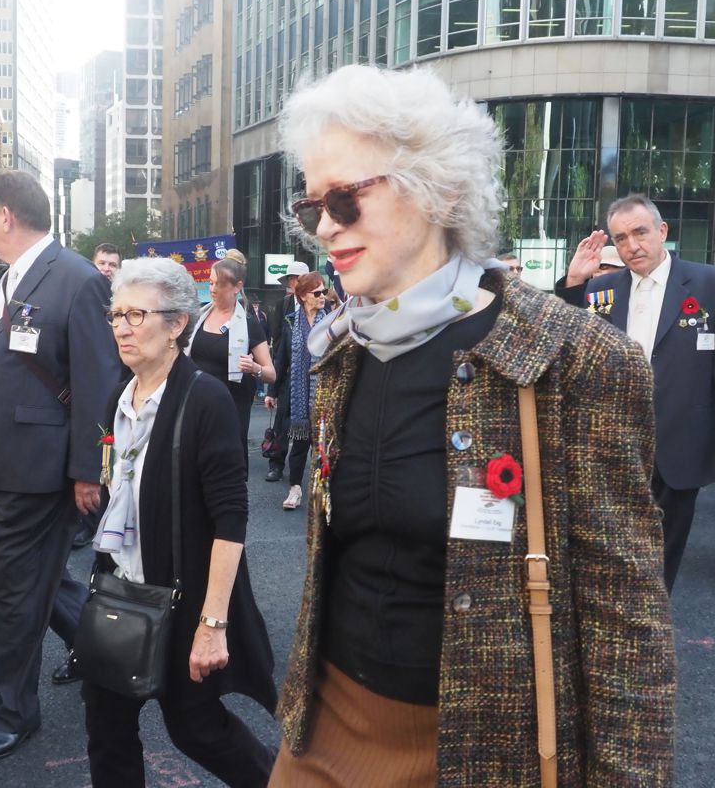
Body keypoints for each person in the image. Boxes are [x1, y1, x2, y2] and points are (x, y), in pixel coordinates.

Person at [270, 64, 675, 786]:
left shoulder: (575, 359)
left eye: (344, 198)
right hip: (322, 732)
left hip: (485, 753)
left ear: (440, 190)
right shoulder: (341, 354)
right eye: (312, 208)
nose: (325, 227)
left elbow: (627, 624)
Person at [0, 170, 120, 768]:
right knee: (36, 583)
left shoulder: (78, 279)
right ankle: (109, 658)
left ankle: (13, 714)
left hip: (40, 471)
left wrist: (88, 471)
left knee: (14, 594)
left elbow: (98, 382)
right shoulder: (6, 279)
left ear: (6, 215)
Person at [84, 257, 277, 787]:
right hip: (121, 593)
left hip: (182, 599)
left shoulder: (204, 397)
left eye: (137, 314)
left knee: (197, 729)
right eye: (116, 315)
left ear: (176, 325)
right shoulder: (120, 397)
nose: (122, 327)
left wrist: (212, 625)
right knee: (106, 728)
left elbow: (230, 518)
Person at [558, 196, 715, 591]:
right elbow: (563, 343)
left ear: (662, 231)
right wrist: (573, 284)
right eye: (620, 238)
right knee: (607, 545)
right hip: (611, 444)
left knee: (662, 550)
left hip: (680, 439)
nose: (632, 245)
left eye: (640, 232)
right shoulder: (600, 290)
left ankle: (651, 616)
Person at [186, 258, 277, 469]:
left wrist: (254, 368)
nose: (212, 289)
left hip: (231, 406)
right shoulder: (199, 317)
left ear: (237, 287)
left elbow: (271, 373)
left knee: (226, 463)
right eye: (210, 283)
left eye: (219, 284)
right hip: (196, 402)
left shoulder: (249, 324)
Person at [74, 242, 127, 550]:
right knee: (93, 458)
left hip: (122, 393)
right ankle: (87, 521)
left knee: (113, 463)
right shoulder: (81, 299)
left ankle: (104, 521)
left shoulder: (125, 301)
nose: (107, 268)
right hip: (89, 395)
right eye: (102, 263)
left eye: (113, 264)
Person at [266, 271, 328, 510]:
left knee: (323, 447)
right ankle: (295, 489)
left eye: (324, 291)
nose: (322, 296)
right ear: (303, 296)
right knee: (300, 445)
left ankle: (322, 492)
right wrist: (271, 391)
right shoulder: (291, 322)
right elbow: (281, 359)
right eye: (317, 292)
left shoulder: (332, 322)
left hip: (324, 395)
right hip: (298, 395)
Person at [266, 261, 309, 481]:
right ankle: (276, 464)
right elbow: (279, 349)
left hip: (312, 378)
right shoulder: (283, 305)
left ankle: (301, 474)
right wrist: (272, 389)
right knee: (282, 422)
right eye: (291, 278)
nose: (293, 282)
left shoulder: (319, 305)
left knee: (308, 426)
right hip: (288, 375)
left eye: (297, 278)